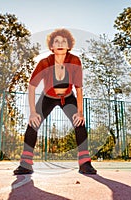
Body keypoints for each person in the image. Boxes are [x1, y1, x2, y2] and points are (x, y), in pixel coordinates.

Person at [13, 28, 96, 175]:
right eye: (56, 41)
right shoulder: (44, 63)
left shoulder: (75, 61)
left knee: (80, 123)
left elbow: (79, 88)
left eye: (64, 41)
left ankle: (85, 163)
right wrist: (32, 112)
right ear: (51, 46)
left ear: (69, 45)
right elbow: (31, 86)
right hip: (48, 98)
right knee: (32, 124)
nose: (60, 44)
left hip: (68, 97)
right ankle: (26, 164)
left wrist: (80, 112)